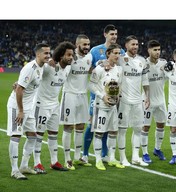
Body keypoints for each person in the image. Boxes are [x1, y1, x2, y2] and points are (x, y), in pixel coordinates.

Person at [7, 43, 50, 180]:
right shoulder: (30, 68)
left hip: (29, 107)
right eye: (46, 54)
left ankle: (24, 165)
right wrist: (20, 110)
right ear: (38, 54)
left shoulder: (42, 67)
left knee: (32, 136)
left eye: (49, 53)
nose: (48, 56)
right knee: (16, 136)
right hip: (17, 107)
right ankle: (14, 170)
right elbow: (19, 89)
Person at [82, 24, 125, 164]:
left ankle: (106, 155)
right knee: (92, 125)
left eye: (116, 34)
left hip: (113, 96)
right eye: (112, 34)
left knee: (110, 127)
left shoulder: (121, 51)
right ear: (105, 34)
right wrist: (101, 65)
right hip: (98, 97)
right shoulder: (95, 51)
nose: (114, 36)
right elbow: (87, 68)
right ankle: (85, 154)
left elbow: (121, 69)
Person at [32, 41, 75, 173]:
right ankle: (37, 163)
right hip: (41, 105)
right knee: (39, 134)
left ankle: (54, 161)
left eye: (72, 55)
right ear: (61, 55)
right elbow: (34, 67)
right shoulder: (48, 66)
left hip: (55, 105)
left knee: (53, 134)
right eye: (68, 55)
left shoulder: (68, 68)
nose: (71, 57)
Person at [89, 43, 125, 170]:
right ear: (108, 54)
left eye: (119, 53)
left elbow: (119, 86)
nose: (117, 55)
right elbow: (91, 85)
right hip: (101, 106)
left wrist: (118, 96)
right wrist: (102, 96)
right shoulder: (99, 68)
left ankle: (111, 158)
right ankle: (98, 160)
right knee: (99, 133)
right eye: (115, 53)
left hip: (113, 107)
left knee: (114, 132)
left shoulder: (119, 69)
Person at [59, 34, 92, 170]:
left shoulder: (89, 57)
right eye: (84, 44)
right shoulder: (70, 58)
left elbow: (88, 70)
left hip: (83, 95)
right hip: (70, 95)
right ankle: (67, 159)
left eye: (88, 44)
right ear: (77, 44)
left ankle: (78, 157)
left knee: (80, 127)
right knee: (68, 127)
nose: (86, 47)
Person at [117, 35, 150, 167]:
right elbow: (105, 63)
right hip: (124, 100)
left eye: (137, 44)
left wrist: (147, 97)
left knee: (138, 129)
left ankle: (136, 157)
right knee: (123, 130)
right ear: (126, 46)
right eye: (133, 44)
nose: (135, 47)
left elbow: (146, 81)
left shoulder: (142, 60)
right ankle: (123, 157)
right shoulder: (120, 59)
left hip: (138, 101)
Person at [141, 40, 167, 163]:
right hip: (147, 101)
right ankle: (145, 153)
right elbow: (142, 81)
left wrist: (169, 70)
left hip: (161, 100)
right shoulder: (144, 64)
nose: (157, 52)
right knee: (145, 127)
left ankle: (157, 149)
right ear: (149, 50)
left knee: (161, 125)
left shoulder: (164, 62)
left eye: (158, 50)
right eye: (154, 50)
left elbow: (168, 77)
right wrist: (147, 97)